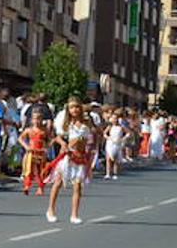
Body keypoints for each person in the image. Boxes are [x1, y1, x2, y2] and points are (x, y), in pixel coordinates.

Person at [46, 96, 95, 224]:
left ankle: (74, 214)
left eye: (77, 107)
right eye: (72, 107)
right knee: (58, 183)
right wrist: (63, 144)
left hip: (80, 157)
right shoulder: (66, 123)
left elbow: (94, 134)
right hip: (67, 156)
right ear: (68, 109)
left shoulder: (86, 122)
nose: (75, 110)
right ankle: (50, 209)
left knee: (78, 185)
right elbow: (57, 138)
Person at [19, 111, 50, 195]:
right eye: (35, 119)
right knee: (28, 170)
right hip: (31, 153)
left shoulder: (45, 130)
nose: (37, 121)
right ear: (32, 120)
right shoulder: (28, 130)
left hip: (41, 153)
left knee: (41, 171)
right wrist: (26, 146)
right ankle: (27, 186)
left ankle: (40, 187)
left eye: (39, 119)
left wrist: (46, 148)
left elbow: (50, 140)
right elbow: (20, 138)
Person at [103, 109, 126, 181]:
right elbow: (104, 133)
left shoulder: (121, 126)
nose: (114, 120)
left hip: (117, 143)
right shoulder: (110, 126)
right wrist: (108, 137)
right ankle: (107, 173)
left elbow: (128, 133)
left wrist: (123, 138)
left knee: (115, 159)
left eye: (115, 118)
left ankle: (115, 173)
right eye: (113, 118)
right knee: (109, 158)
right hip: (110, 143)